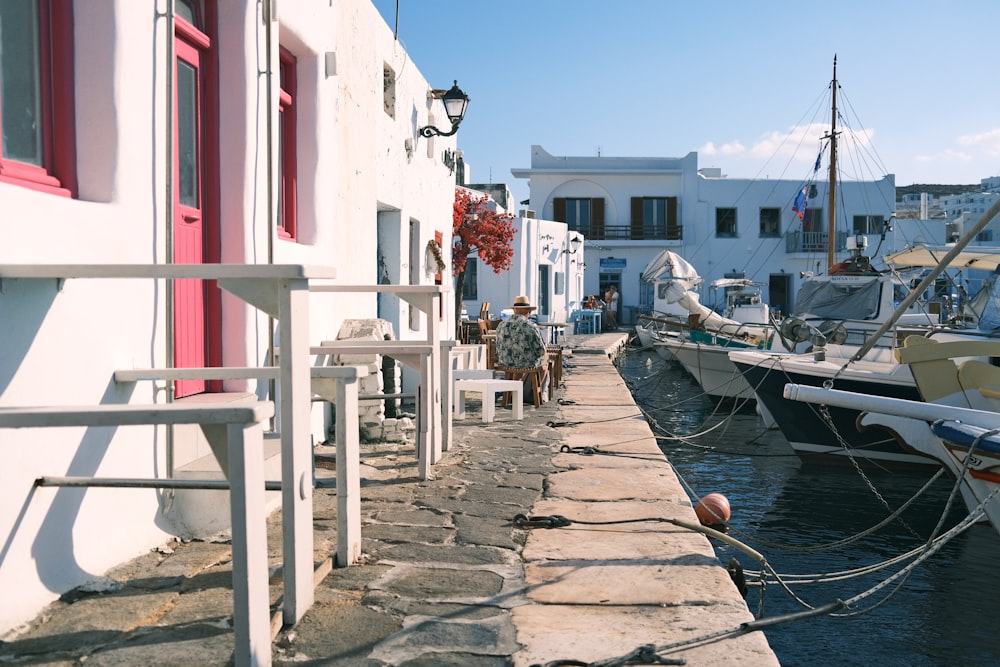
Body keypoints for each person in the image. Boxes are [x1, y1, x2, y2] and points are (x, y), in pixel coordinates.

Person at [494, 295, 549, 402]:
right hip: (525, 364)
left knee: (517, 366)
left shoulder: (501, 325)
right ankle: (534, 394)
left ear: (514, 310)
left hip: (505, 362)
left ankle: (513, 394)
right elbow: (541, 351)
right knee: (545, 364)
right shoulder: (530, 326)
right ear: (528, 311)